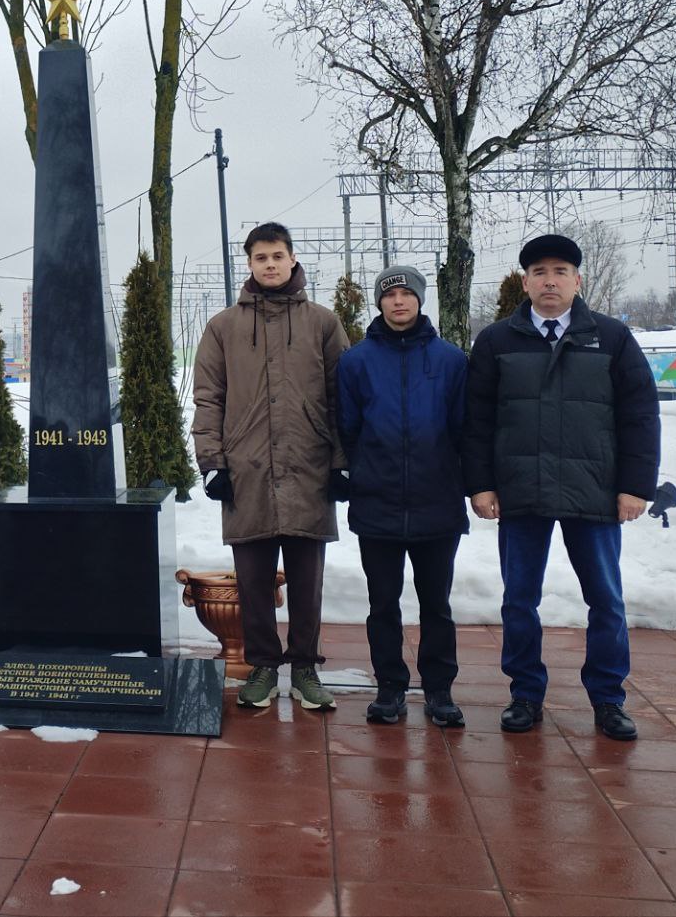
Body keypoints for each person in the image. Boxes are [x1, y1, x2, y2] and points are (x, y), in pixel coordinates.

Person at [464, 233, 660, 740]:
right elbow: (477, 420)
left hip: (592, 490)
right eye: (539, 273)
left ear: (577, 280)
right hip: (521, 491)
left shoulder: (612, 337)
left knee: (606, 601)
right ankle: (525, 693)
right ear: (525, 282)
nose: (549, 281)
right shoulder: (497, 341)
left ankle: (608, 698)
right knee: (519, 600)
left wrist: (635, 485)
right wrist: (481, 484)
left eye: (560, 272)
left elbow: (640, 415)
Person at [192, 222, 350, 711]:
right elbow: (208, 398)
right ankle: (262, 667)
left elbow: (342, 397)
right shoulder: (224, 327)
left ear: (292, 258)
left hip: (308, 468)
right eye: (261, 258)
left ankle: (304, 668)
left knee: (307, 580)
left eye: (278, 256)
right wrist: (212, 462)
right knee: (253, 580)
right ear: (249, 264)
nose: (270, 265)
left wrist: (341, 462)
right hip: (247, 470)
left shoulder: (323, 323)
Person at [337, 265, 469, 727]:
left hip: (437, 502)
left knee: (437, 605)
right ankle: (390, 687)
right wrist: (362, 471)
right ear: (379, 302)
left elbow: (463, 428)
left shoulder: (451, 360)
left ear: (419, 299)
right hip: (377, 502)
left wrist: (464, 481)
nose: (399, 301)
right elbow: (347, 427)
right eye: (390, 295)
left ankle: (439, 690)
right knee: (382, 604)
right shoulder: (355, 362)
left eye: (407, 294)